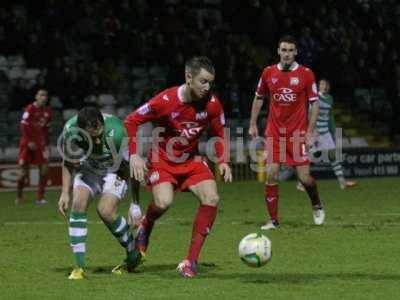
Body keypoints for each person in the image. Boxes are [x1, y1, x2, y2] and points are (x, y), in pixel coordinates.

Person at [125, 56, 232, 278]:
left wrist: (223, 161)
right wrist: (134, 154)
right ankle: (147, 223)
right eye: (203, 81)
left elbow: (221, 131)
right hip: (162, 160)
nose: (208, 87)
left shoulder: (212, 103)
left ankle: (190, 262)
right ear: (189, 77)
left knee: (212, 198)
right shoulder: (165, 101)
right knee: (164, 202)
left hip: (191, 161)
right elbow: (131, 120)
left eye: (210, 82)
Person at [248, 35, 325, 230]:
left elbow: (314, 103)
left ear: (296, 52)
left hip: (297, 133)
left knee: (304, 178)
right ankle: (273, 220)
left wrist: (310, 130)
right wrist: (253, 123)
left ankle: (316, 204)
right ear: (278, 51)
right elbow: (258, 98)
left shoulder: (306, 74)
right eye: (284, 50)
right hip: (274, 132)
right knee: (271, 174)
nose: (287, 54)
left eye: (291, 50)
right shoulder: (268, 73)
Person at [57, 107, 142, 280]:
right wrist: (64, 193)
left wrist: (135, 203)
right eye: (91, 137)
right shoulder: (69, 131)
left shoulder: (118, 133)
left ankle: (133, 252)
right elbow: (68, 161)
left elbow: (132, 167)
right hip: (89, 168)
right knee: (78, 204)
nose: (96, 142)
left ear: (102, 124)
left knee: (105, 211)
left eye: (99, 136)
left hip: (115, 170)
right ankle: (79, 267)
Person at [297, 79, 357, 191]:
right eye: (321, 84)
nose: (323, 86)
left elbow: (330, 117)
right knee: (310, 157)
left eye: (325, 84)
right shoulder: (315, 97)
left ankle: (342, 182)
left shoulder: (330, 99)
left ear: (328, 86)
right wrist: (312, 129)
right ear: (318, 86)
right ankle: (301, 183)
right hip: (316, 131)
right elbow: (310, 113)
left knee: (333, 156)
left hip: (326, 132)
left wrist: (334, 131)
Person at [16, 89, 52, 205]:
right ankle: (19, 196)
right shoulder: (30, 109)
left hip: (42, 145)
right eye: (41, 95)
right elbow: (23, 125)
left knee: (45, 170)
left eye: (45, 95)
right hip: (27, 144)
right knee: (23, 173)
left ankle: (40, 198)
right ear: (36, 96)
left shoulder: (48, 111)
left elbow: (46, 129)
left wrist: (46, 144)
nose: (44, 97)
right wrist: (29, 141)